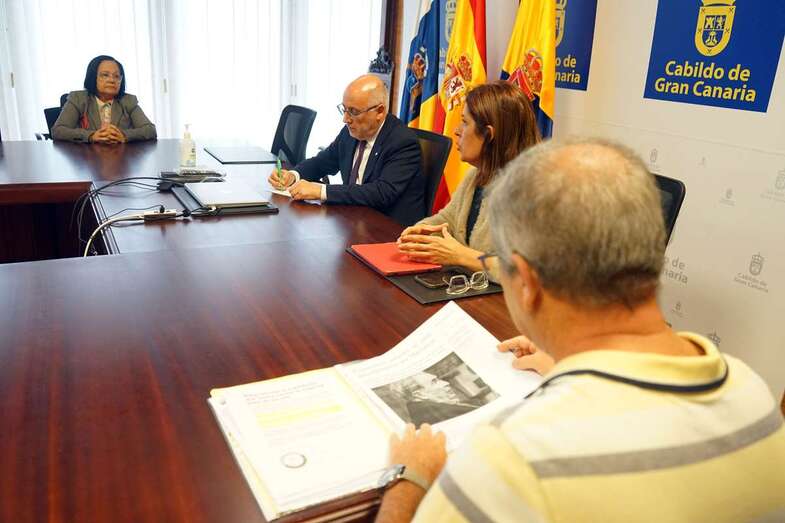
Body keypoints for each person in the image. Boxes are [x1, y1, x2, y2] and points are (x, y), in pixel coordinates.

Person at [375, 138, 785, 523]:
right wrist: (562, 364)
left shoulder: (511, 459)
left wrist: (408, 477)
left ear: (528, 284)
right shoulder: (753, 392)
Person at [396, 82, 540, 272]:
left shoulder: (529, 190)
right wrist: (421, 233)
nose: (456, 130)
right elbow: (448, 219)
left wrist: (461, 256)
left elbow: (525, 271)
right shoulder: (477, 174)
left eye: (465, 122)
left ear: (488, 134)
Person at [268, 74, 424, 226]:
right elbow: (323, 161)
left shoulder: (402, 142)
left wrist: (321, 190)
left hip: (388, 231)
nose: (346, 119)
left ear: (380, 111)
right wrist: (293, 175)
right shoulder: (351, 132)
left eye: (354, 112)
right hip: (354, 220)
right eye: (344, 109)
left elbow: (381, 193)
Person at [53, 55, 157, 144]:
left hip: (121, 159)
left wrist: (124, 136)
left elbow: (150, 130)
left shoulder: (128, 100)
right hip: (87, 160)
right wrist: (91, 136)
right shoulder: (78, 98)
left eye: (117, 76)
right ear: (93, 77)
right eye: (105, 75)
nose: (112, 80)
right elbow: (58, 130)